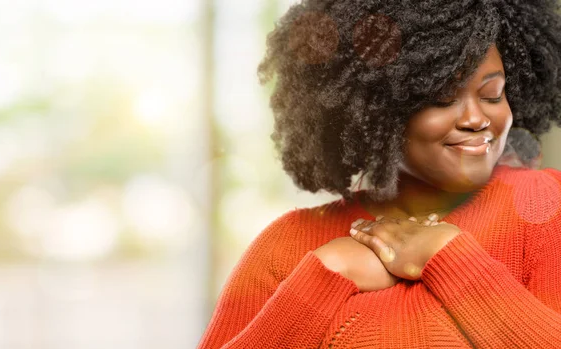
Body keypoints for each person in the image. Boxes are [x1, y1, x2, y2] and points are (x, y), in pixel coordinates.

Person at [198, 0, 561, 348]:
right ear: (378, 108)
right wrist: (328, 272)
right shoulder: (288, 246)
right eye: (442, 99)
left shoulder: (543, 208)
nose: (475, 120)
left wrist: (445, 255)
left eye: (493, 95)